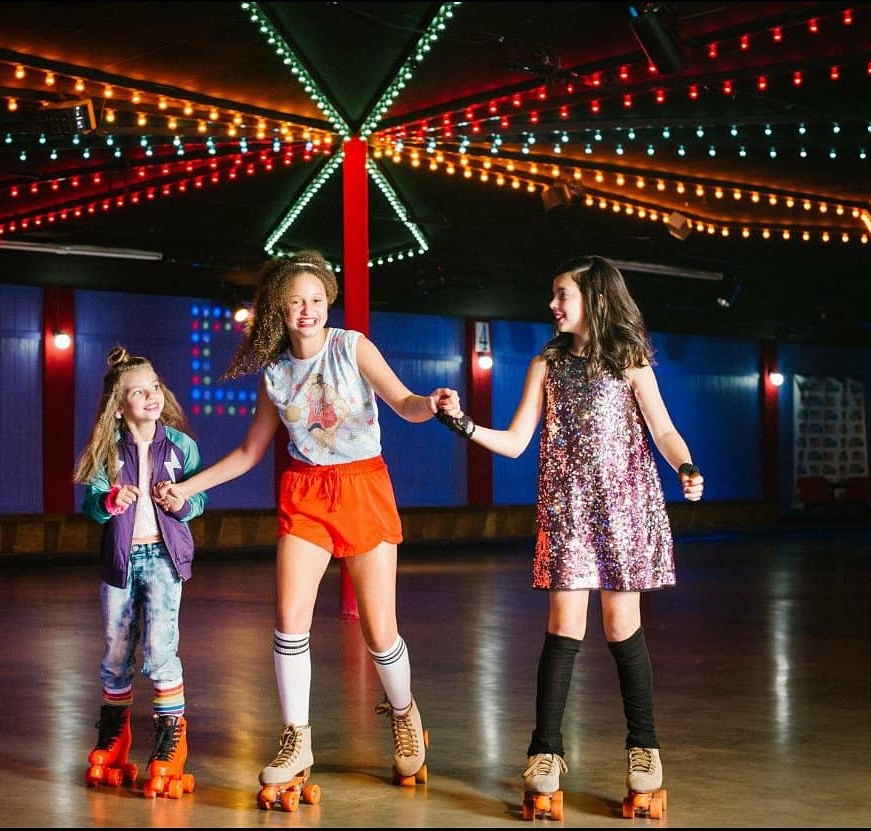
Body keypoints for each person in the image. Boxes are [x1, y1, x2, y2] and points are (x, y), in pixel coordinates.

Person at [155, 250, 459, 795]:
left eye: (315, 300)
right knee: (289, 618)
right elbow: (249, 453)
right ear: (279, 307)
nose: (307, 310)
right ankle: (297, 738)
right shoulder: (277, 373)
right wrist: (185, 488)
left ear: (328, 302)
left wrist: (430, 403)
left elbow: (403, 402)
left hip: (363, 486)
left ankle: (405, 715)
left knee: (377, 629)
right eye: (295, 302)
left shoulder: (352, 347)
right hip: (306, 492)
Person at [434, 255, 704, 807]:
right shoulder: (546, 366)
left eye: (563, 295)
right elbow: (514, 442)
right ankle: (545, 750)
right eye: (554, 295)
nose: (553, 305)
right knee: (563, 627)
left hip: (625, 507)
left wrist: (686, 467)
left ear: (595, 300)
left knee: (621, 625)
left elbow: (664, 428)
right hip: (568, 510)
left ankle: (644, 748)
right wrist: (461, 422)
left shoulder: (630, 361)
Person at [73, 346, 208, 797]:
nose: (149, 396)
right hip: (122, 560)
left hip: (165, 558)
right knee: (115, 649)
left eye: (154, 388)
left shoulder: (181, 445)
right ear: (119, 403)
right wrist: (108, 502)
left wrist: (183, 503)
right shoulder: (109, 451)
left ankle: (172, 740)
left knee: (159, 648)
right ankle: (115, 736)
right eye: (137, 392)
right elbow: (91, 507)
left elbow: (200, 498)